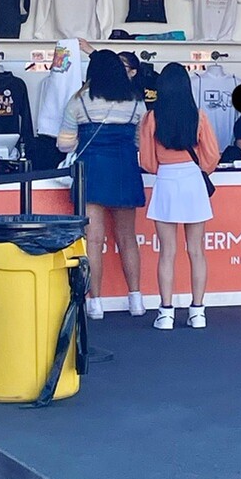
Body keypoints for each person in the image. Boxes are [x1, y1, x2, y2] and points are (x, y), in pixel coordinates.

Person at [56, 50, 145, 322]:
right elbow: (139, 143)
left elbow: (64, 144)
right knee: (127, 238)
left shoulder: (79, 101)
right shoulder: (136, 102)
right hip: (125, 171)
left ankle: (95, 303)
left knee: (93, 240)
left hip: (91, 173)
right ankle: (136, 299)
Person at [139, 62, 220, 330]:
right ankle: (198, 312)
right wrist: (198, 169)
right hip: (192, 181)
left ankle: (166, 313)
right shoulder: (198, 116)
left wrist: (163, 167)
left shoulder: (151, 118)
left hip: (166, 181)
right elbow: (211, 156)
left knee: (167, 252)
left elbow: (147, 161)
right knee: (196, 251)